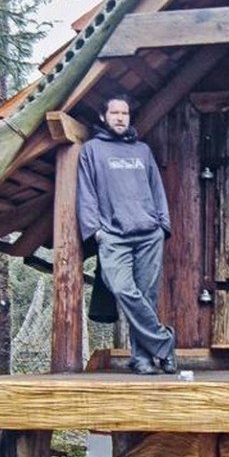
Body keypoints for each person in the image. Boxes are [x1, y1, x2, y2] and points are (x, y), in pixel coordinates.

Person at [76, 91, 177, 375]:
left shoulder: (142, 151)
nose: (120, 118)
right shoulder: (92, 151)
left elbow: (157, 190)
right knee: (123, 289)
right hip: (113, 236)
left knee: (146, 296)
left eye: (124, 113)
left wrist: (162, 226)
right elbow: (86, 194)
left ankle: (143, 359)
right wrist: (96, 232)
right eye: (115, 113)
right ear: (103, 117)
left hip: (148, 234)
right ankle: (165, 343)